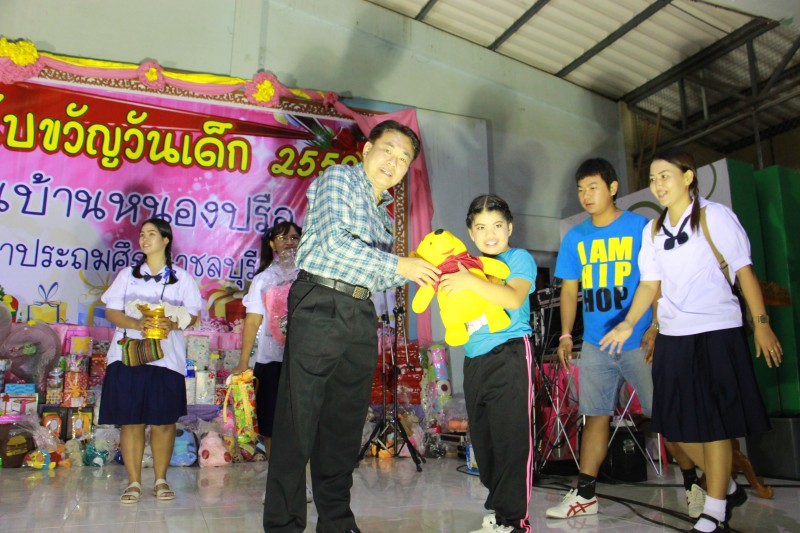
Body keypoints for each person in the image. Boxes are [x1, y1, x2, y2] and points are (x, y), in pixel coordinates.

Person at [262, 120, 441, 533]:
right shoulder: (340, 179)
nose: (393, 162)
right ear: (367, 150)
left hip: (361, 312)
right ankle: (284, 525)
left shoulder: (383, 216)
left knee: (343, 426)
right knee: (298, 421)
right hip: (320, 301)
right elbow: (335, 245)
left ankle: (337, 523)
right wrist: (403, 266)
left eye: (403, 159)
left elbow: (378, 274)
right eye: (388, 150)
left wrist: (429, 271)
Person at [599, 148, 781, 532]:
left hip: (716, 331)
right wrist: (629, 323)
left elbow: (744, 273)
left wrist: (762, 323)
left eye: (664, 176)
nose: (657, 185)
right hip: (673, 336)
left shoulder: (715, 216)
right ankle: (726, 486)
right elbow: (649, 285)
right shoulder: (653, 231)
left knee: (715, 424)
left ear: (687, 177)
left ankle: (714, 509)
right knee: (674, 426)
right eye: (652, 179)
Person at [546, 158, 702, 520]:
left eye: (593, 187)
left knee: (665, 416)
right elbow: (569, 290)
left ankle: (694, 485)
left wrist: (655, 326)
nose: (586, 195)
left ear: (613, 188)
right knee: (594, 416)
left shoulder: (640, 228)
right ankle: (586, 494)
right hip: (597, 345)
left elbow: (656, 281)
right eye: (581, 190)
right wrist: (567, 334)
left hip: (639, 342)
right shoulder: (575, 237)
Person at [438, 194, 537, 533]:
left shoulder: (518, 258)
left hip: (510, 353)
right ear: (470, 233)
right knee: (484, 442)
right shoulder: (468, 265)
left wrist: (469, 281)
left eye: (497, 225)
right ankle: (499, 510)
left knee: (511, 439)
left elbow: (513, 297)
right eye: (481, 227)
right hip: (474, 358)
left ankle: (515, 521)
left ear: (509, 227)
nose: (490, 234)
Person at [99, 217, 202, 503]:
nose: (144, 239)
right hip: (127, 355)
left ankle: (160, 480)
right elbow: (111, 311)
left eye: (152, 234)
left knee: (164, 422)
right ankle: (133, 482)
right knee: (130, 421)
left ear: (166, 240)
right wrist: (136, 323)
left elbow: (194, 315)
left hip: (167, 358)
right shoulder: (127, 275)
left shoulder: (182, 278)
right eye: (142, 234)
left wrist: (173, 323)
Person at [234, 222, 301, 459]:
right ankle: (277, 477)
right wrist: (243, 362)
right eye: (282, 238)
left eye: (294, 237)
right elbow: (252, 322)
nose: (289, 242)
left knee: (302, 422)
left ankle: (302, 476)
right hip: (271, 360)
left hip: (304, 361)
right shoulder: (263, 279)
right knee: (271, 424)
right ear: (272, 244)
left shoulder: (309, 277)